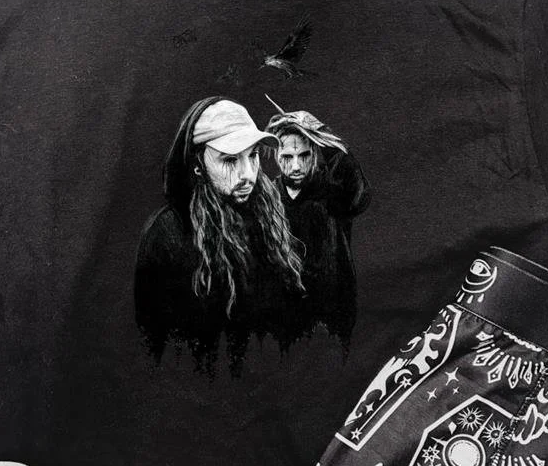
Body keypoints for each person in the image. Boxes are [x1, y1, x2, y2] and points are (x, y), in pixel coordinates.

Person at [135, 96, 306, 375]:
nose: (247, 174)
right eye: (229, 159)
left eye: (253, 156)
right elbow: (153, 342)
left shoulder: (267, 218)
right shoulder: (167, 233)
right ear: (197, 165)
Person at [265, 100, 371, 341]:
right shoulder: (267, 197)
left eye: (304, 155)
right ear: (276, 156)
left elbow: (358, 193)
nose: (296, 166)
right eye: (287, 156)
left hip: (331, 319)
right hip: (283, 318)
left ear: (314, 152)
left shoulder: (333, 190)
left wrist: (324, 135)